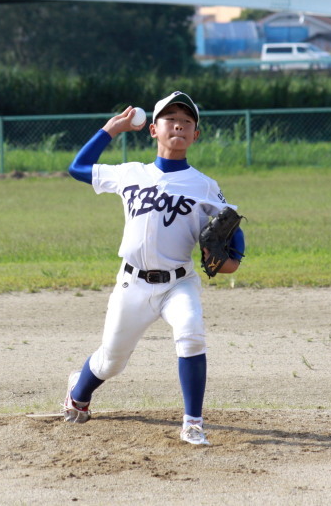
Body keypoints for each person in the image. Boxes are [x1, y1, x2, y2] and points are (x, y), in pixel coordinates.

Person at [63, 91, 244, 446]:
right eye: (170, 119)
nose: (179, 124)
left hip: (179, 284)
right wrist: (109, 131)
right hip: (133, 284)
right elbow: (77, 169)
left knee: (191, 334)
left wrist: (232, 260)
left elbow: (232, 230)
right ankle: (77, 394)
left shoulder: (204, 185)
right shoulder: (130, 173)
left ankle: (193, 422)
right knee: (110, 362)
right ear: (153, 130)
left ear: (196, 135)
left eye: (187, 121)